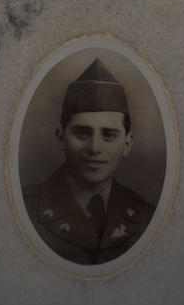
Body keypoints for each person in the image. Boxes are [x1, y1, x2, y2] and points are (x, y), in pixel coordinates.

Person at [22, 58, 154, 265]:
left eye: (108, 135)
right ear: (61, 139)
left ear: (127, 144)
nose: (94, 148)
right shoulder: (25, 208)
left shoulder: (146, 216)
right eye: (82, 133)